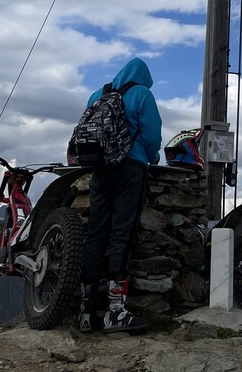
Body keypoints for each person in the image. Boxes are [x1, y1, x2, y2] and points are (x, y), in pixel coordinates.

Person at [78, 57, 162, 333]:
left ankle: (86, 312)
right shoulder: (142, 95)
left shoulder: (98, 95)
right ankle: (115, 312)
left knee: (95, 235)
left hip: (100, 170)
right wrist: (152, 156)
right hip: (130, 169)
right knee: (121, 236)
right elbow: (151, 137)